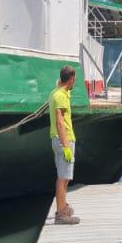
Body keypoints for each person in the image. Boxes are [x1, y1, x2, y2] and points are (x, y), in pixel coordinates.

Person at [49, 65, 80, 224]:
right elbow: (60, 123)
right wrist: (66, 146)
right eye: (75, 79)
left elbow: (62, 86)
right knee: (63, 178)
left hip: (58, 139)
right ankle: (61, 214)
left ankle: (63, 206)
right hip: (63, 139)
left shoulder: (56, 92)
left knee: (64, 176)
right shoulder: (60, 96)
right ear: (72, 79)